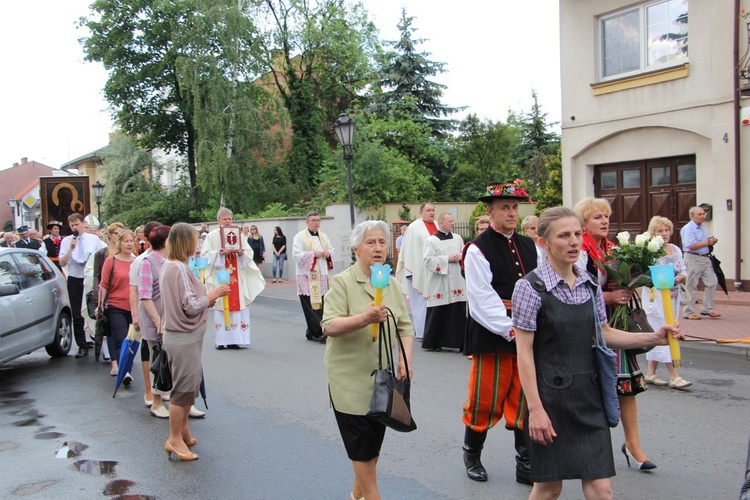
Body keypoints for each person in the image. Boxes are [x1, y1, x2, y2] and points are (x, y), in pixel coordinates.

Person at [512, 206, 684, 499]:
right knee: (549, 489)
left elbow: (604, 334)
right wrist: (536, 410)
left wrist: (655, 337)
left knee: (602, 490)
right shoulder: (529, 288)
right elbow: (524, 353)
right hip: (550, 400)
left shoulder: (589, 284)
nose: (574, 242)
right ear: (544, 243)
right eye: (564, 236)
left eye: (577, 234)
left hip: (588, 397)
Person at [321, 220, 415, 500]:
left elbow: (405, 327)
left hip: (383, 381)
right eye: (370, 242)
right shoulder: (342, 282)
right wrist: (364, 318)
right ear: (356, 248)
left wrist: (405, 360)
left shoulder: (392, 285)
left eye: (382, 242)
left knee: (372, 449)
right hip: (348, 380)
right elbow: (328, 326)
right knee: (362, 448)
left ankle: (355, 496)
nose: (378, 248)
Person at [461, 181, 537, 485]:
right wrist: (510, 330)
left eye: (514, 207)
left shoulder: (530, 244)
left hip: (527, 331)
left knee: (524, 396)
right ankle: (472, 453)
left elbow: (539, 285)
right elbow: (480, 297)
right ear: (490, 212)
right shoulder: (478, 248)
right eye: (504, 208)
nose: (511, 213)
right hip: (495, 334)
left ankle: (526, 462)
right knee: (485, 398)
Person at [573, 197, 653, 471]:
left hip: (615, 325)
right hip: (588, 325)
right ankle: (588, 446)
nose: (605, 221)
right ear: (584, 222)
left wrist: (630, 287)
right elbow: (576, 291)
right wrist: (609, 296)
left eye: (606, 216)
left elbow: (629, 280)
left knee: (626, 388)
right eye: (597, 217)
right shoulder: (579, 251)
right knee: (590, 386)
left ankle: (633, 444)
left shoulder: (615, 249)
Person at [159, 223, 230, 461]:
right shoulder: (177, 268)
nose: (197, 244)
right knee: (183, 389)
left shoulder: (173, 265)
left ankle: (183, 430)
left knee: (191, 384)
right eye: (194, 240)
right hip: (183, 336)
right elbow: (189, 306)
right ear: (186, 242)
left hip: (185, 336)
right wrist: (214, 295)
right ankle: (174, 439)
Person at [200, 208, 265, 349]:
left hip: (236, 277)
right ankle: (222, 341)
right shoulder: (212, 236)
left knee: (237, 306)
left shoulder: (239, 235)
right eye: (225, 219)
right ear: (218, 221)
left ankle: (236, 340)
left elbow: (249, 252)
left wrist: (242, 254)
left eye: (230, 219)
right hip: (221, 276)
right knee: (221, 306)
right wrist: (218, 253)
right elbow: (204, 255)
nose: (228, 222)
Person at [643, 216, 692, 389]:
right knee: (666, 332)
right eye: (660, 231)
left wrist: (681, 277)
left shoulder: (676, 250)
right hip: (656, 299)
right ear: (653, 233)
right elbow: (645, 275)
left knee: (667, 329)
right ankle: (674, 375)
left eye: (666, 230)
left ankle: (650, 372)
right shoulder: (650, 251)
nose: (664, 234)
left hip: (673, 298)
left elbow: (684, 269)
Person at [60, 213, 106, 358]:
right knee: (77, 312)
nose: (75, 227)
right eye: (72, 225)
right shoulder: (67, 241)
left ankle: (96, 338)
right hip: (75, 278)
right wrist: (70, 250)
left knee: (94, 308)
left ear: (83, 224)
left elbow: (104, 254)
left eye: (77, 224)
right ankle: (82, 345)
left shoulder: (93, 239)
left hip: (90, 278)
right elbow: (62, 262)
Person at [137, 224, 171, 418]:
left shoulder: (168, 260)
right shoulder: (148, 262)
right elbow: (145, 295)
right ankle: (156, 402)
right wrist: (158, 322)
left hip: (167, 319)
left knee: (169, 360)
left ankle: (169, 397)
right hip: (155, 320)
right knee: (157, 359)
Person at [422, 212, 466, 351]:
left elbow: (464, 253)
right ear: (441, 223)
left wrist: (461, 256)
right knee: (438, 312)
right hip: (440, 281)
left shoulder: (458, 238)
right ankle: (434, 342)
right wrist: (447, 259)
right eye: (450, 221)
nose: (453, 223)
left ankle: (460, 343)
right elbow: (427, 261)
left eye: (453, 221)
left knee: (457, 313)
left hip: (456, 279)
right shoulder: (431, 241)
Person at [395, 202, 438, 339]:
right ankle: (421, 332)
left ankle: (434, 331)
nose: (431, 213)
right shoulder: (413, 227)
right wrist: (410, 271)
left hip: (435, 270)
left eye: (433, 210)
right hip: (417, 270)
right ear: (421, 212)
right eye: (428, 210)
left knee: (435, 301)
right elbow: (408, 250)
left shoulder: (438, 225)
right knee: (420, 302)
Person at [98, 230, 136, 382]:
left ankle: (127, 367)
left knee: (132, 340)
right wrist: (100, 304)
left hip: (134, 307)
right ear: (119, 243)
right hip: (116, 306)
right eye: (126, 241)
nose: (129, 244)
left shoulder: (138, 261)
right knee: (121, 339)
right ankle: (124, 371)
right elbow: (104, 284)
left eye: (131, 241)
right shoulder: (111, 261)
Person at [293, 211, 334, 343]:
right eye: (314, 220)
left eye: (318, 220)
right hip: (306, 276)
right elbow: (296, 255)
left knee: (321, 304)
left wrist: (328, 253)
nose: (317, 222)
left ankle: (311, 332)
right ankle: (318, 333)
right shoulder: (300, 237)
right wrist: (313, 254)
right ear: (307, 222)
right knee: (311, 305)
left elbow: (331, 249)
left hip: (322, 275)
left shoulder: (323, 236)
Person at [89, 222, 125, 369]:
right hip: (108, 295)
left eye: (121, 233)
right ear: (109, 235)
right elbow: (97, 276)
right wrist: (98, 298)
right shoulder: (102, 253)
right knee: (111, 330)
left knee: (124, 331)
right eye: (116, 233)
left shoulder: (129, 253)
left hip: (124, 294)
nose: (118, 236)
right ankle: (115, 363)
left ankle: (124, 361)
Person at [680, 205, 720, 320]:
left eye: (704, 214)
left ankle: (707, 309)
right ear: (692, 216)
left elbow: (702, 242)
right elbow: (690, 245)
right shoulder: (688, 229)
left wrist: (709, 242)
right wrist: (707, 242)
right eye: (700, 214)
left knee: (712, 282)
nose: (703, 216)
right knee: (691, 285)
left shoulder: (702, 227)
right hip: (693, 258)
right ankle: (688, 312)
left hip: (705, 258)